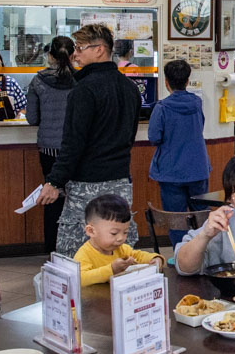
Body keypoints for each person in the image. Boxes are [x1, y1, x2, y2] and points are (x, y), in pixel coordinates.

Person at [35, 23, 141, 256]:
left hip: (86, 186)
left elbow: (73, 143)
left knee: (77, 255)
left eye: (81, 48)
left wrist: (54, 182)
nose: (75, 54)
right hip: (121, 183)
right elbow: (130, 137)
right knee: (119, 252)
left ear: (100, 50)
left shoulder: (83, 90)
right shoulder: (130, 89)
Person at [148, 58, 211, 247]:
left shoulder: (162, 108)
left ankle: (181, 257)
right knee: (201, 218)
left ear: (166, 82)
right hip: (198, 169)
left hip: (171, 171)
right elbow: (200, 126)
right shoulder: (197, 103)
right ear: (187, 81)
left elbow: (154, 137)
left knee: (176, 220)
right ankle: (204, 254)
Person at [25, 35, 75, 256]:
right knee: (76, 198)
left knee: (52, 197)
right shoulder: (81, 80)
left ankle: (53, 251)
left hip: (49, 149)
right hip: (75, 150)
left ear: (50, 56)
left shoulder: (38, 81)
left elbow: (32, 118)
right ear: (74, 55)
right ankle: (76, 250)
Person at [73, 194, 164, 286]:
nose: (121, 238)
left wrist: (155, 258)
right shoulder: (85, 254)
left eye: (125, 232)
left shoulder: (121, 249)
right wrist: (111, 269)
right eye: (114, 233)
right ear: (91, 231)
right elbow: (80, 279)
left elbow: (138, 256)